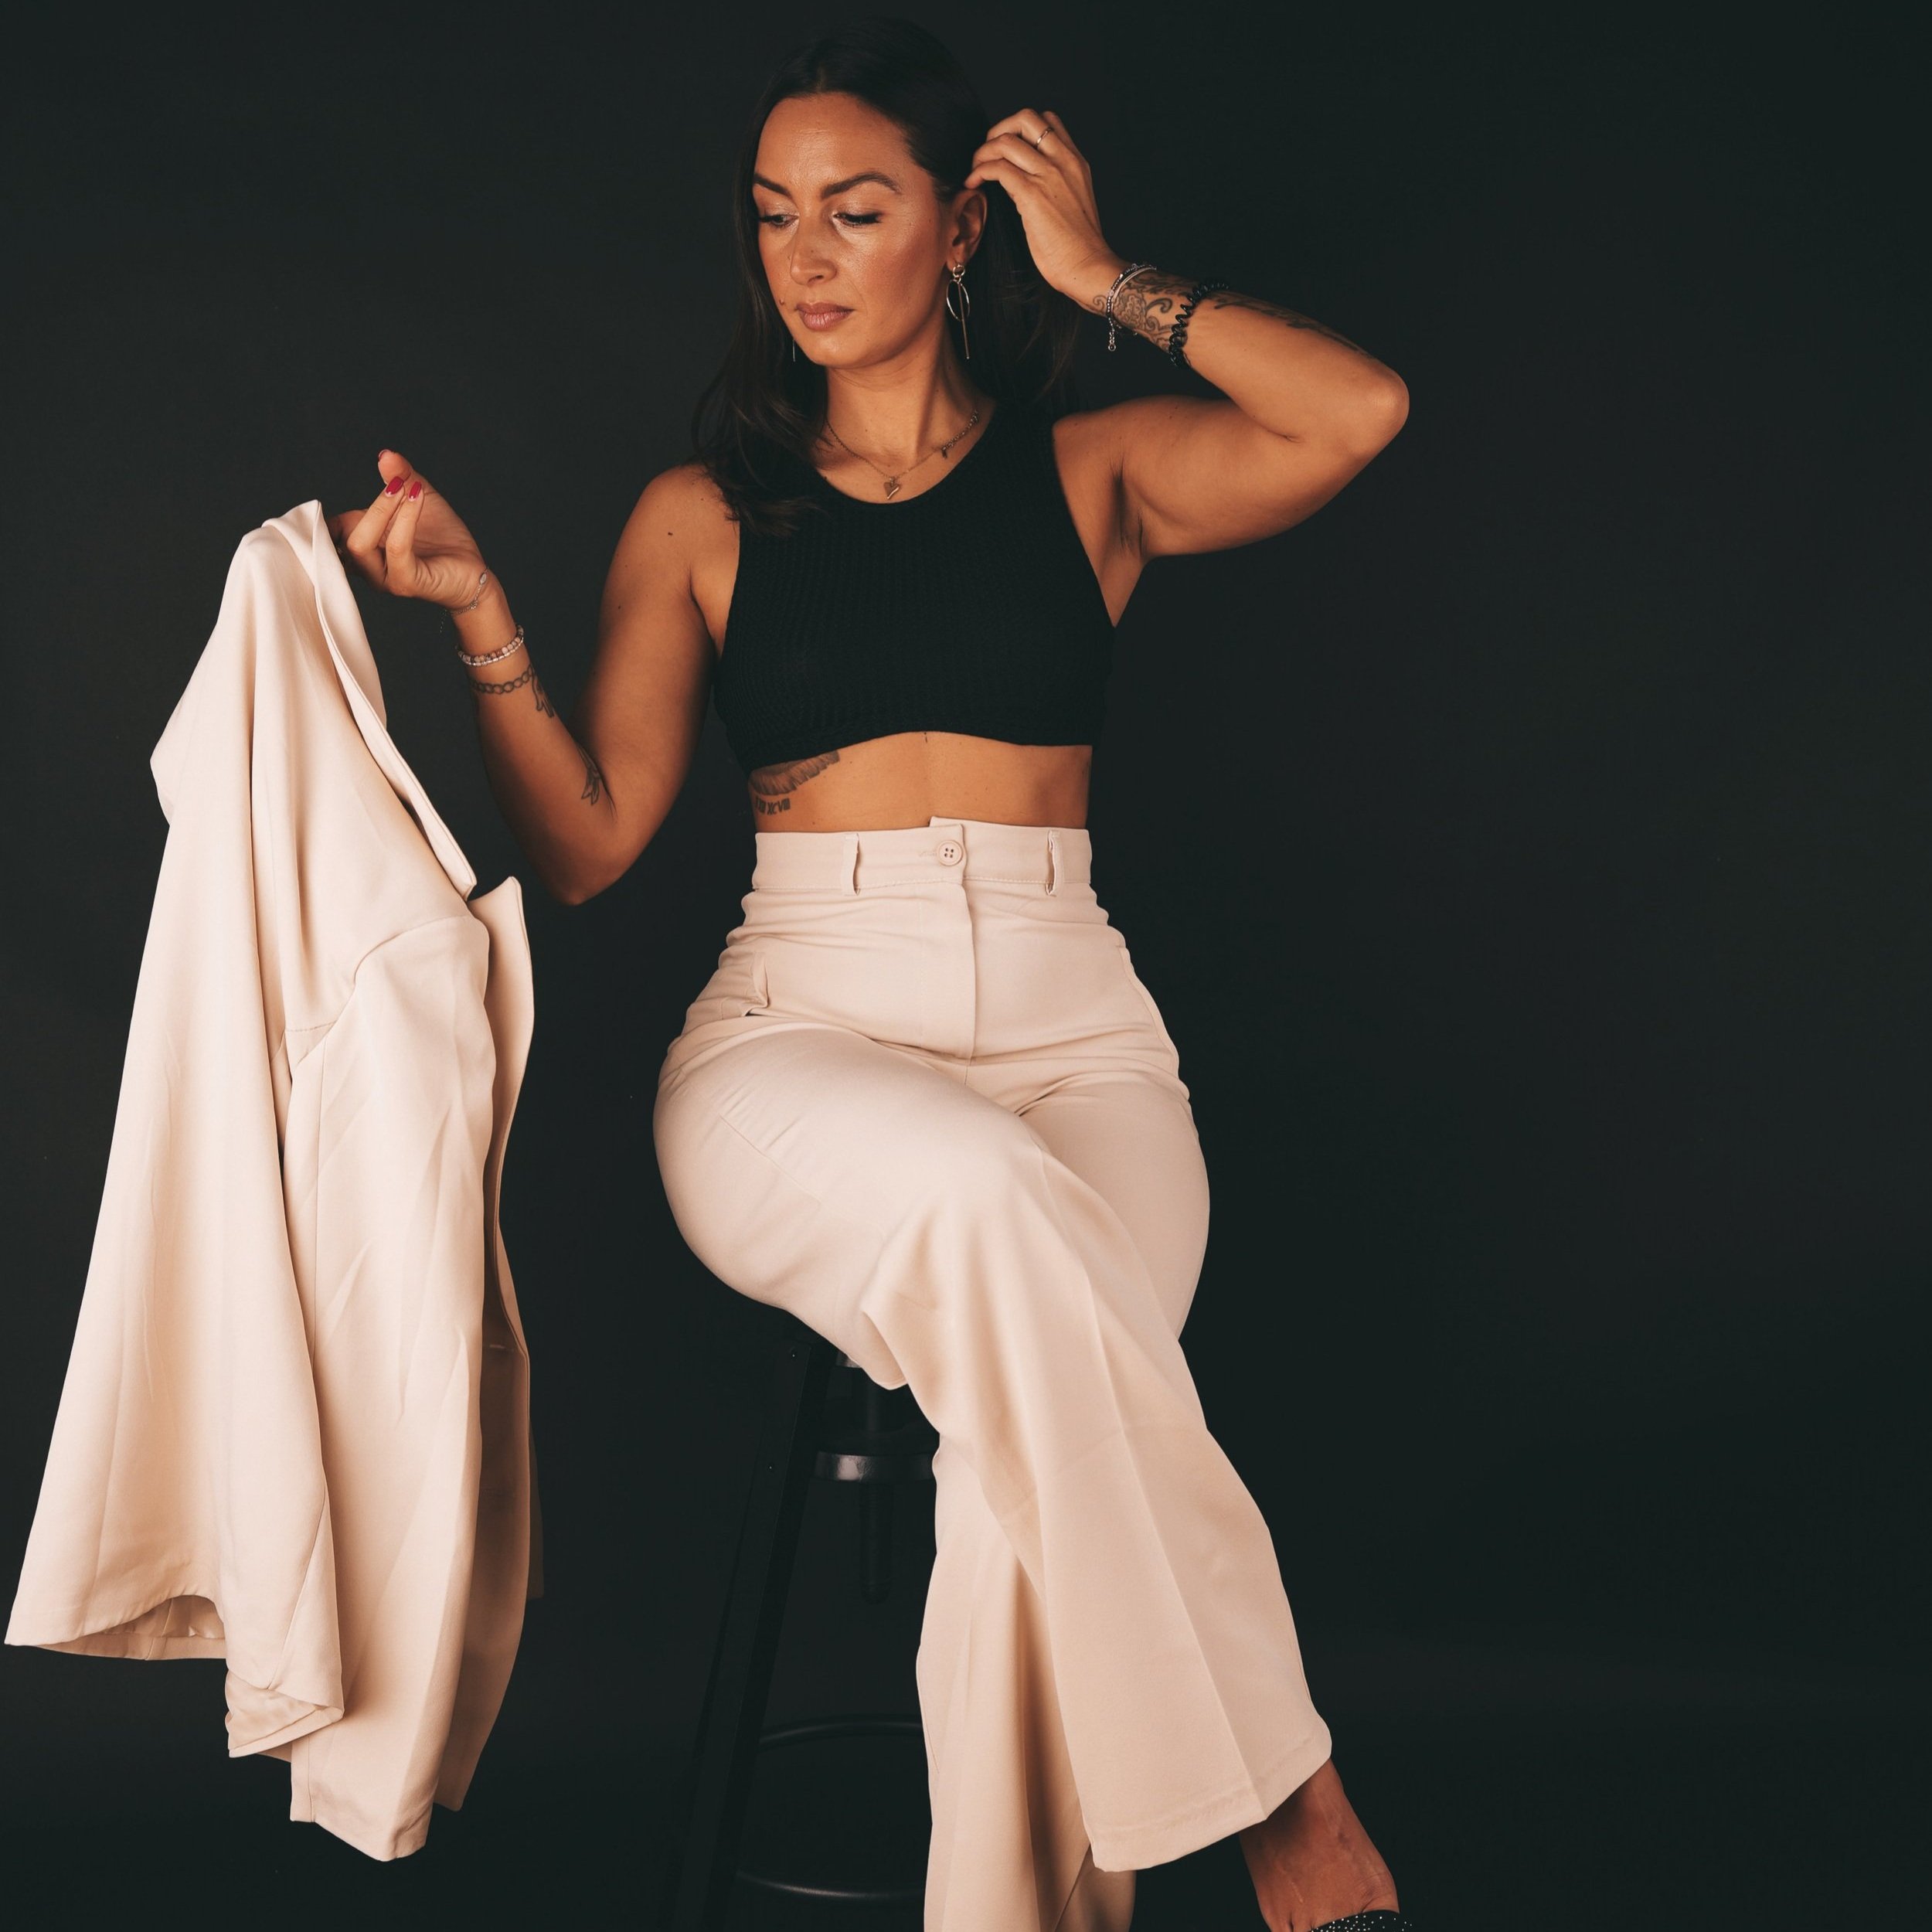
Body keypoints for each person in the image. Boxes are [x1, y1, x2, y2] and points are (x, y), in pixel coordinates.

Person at [332, 19, 1412, 1930]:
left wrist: (1108, 279)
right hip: (799, 1034)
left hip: (1078, 1028)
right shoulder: (702, 513)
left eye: (854, 209)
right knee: (1004, 1221)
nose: (804, 257)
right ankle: (1287, 1795)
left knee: (1024, 1480)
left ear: (960, 228)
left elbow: (1354, 411)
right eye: (773, 215)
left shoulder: (1090, 473)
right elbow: (587, 843)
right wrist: (482, 618)